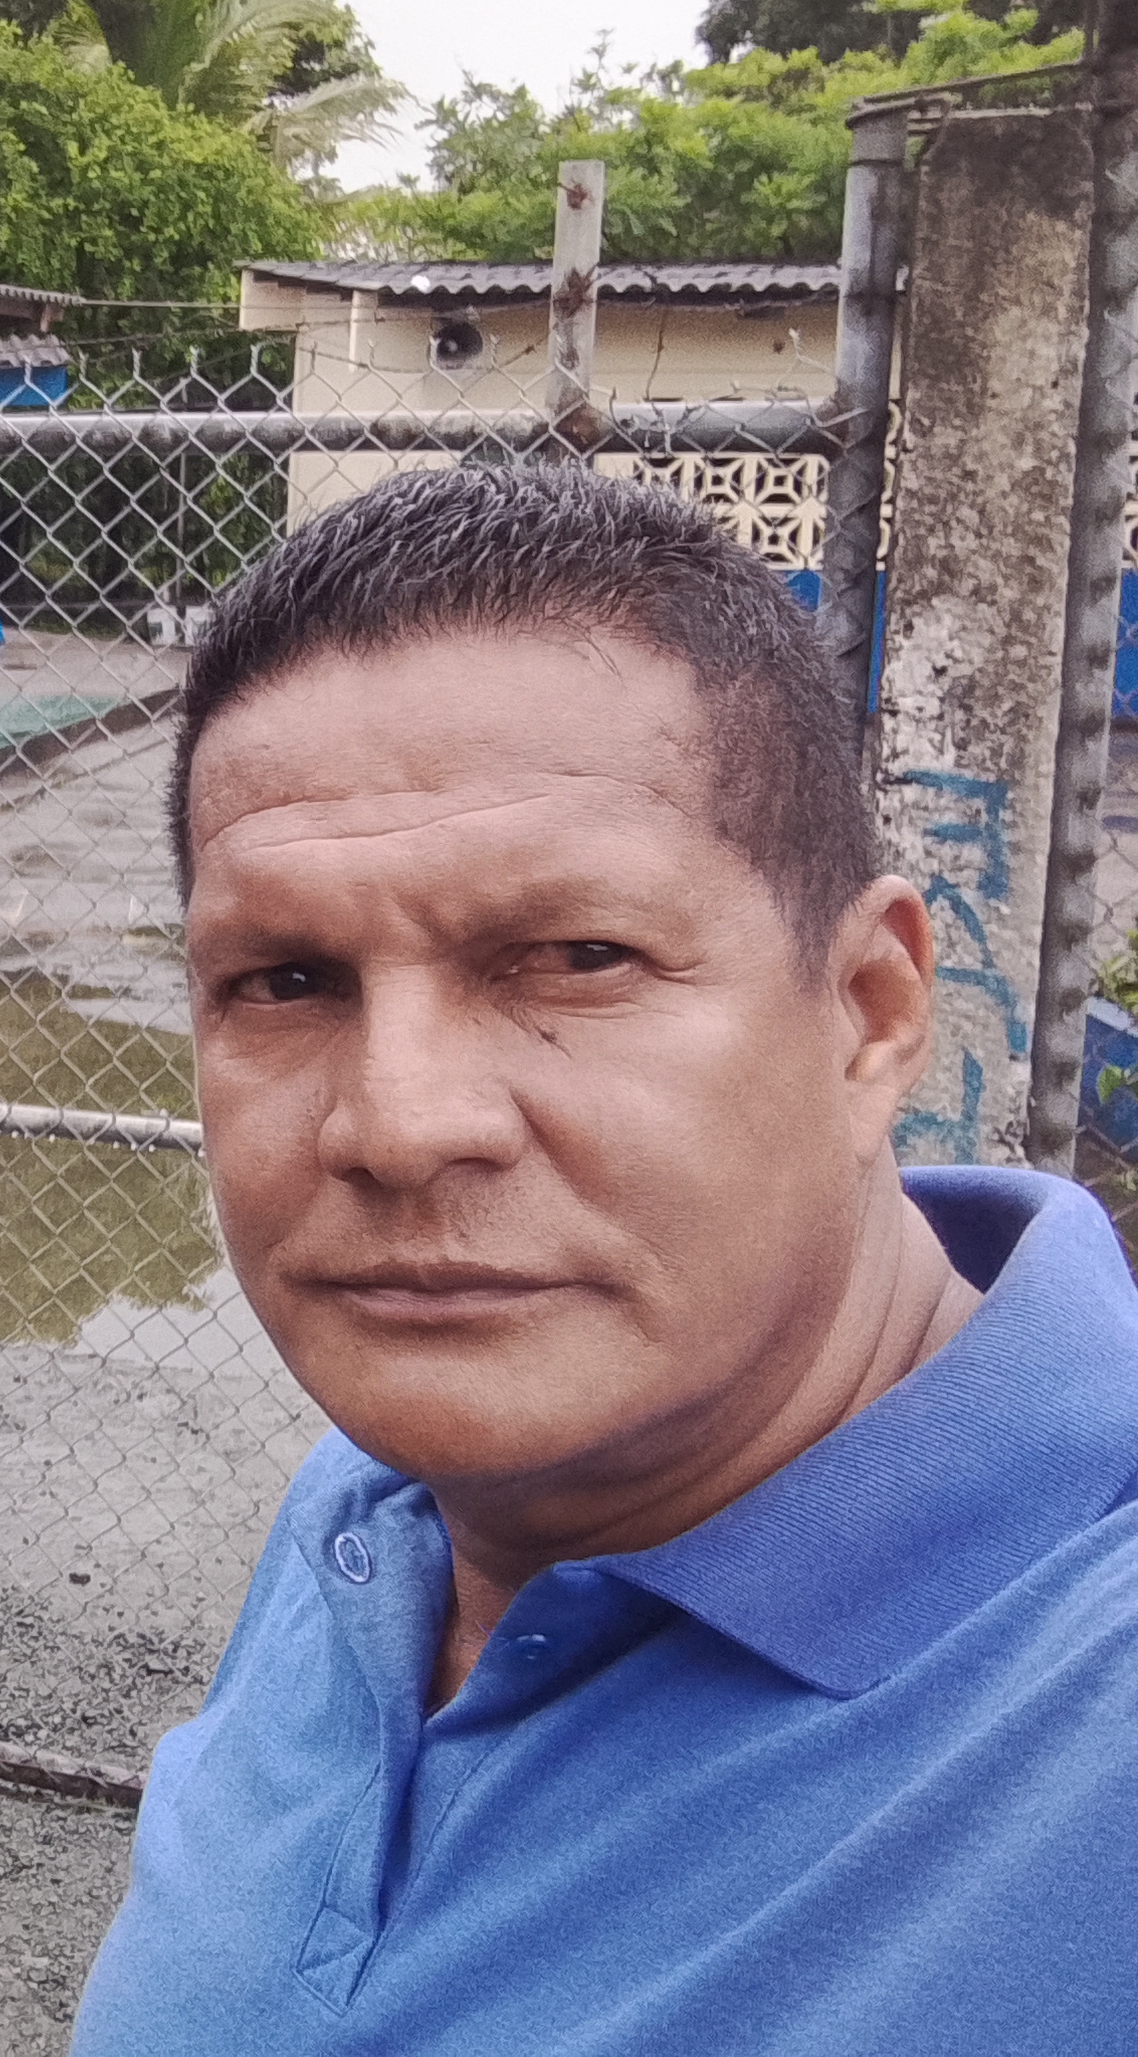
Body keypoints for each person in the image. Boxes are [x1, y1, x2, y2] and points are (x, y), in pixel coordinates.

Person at [70, 464, 1138, 2056]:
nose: (397, 1125)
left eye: (578, 958)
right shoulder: (384, 1508)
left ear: (869, 1014)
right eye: (286, 980)